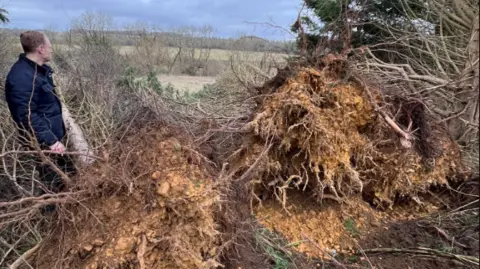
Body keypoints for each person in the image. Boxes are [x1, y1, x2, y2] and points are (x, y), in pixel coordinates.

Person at [4, 30, 74, 193]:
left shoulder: (38, 71)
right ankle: (52, 216)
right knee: (52, 185)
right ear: (41, 49)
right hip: (44, 143)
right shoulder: (21, 77)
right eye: (49, 46)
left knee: (68, 177)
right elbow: (26, 116)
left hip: (54, 137)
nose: (52, 49)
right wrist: (51, 141)